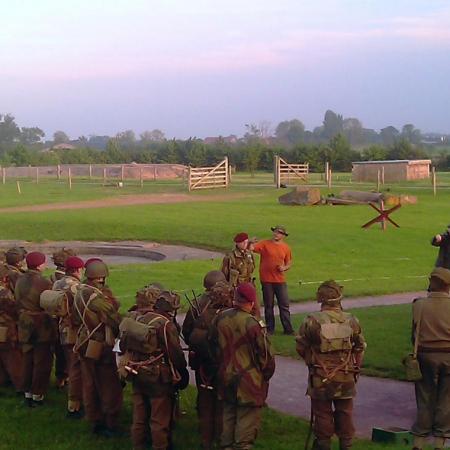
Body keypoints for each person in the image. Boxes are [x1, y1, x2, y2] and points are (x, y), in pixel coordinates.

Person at [296, 280, 366, 450]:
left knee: (322, 415)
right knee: (345, 414)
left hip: (321, 378)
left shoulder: (312, 321)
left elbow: (300, 347)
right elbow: (360, 348)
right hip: (346, 376)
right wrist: (355, 369)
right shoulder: (351, 320)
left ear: (321, 299)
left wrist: (311, 361)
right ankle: (346, 446)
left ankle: (323, 445)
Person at [119, 290, 189, 450]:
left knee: (139, 417)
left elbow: (123, 345)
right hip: (158, 379)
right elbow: (175, 354)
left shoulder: (137, 318)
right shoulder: (165, 325)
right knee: (159, 419)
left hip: (136, 373)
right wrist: (182, 373)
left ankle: (138, 445)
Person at [210, 282, 275, 450]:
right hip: (249, 382)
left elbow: (211, 345)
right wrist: (263, 377)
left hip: (225, 378)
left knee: (228, 422)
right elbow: (266, 358)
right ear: (252, 301)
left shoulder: (220, 318)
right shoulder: (253, 324)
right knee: (244, 434)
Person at [72, 260, 123, 437]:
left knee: (89, 384)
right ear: (101, 277)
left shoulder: (80, 291)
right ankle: (110, 424)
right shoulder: (96, 298)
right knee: (109, 385)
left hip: (84, 340)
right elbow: (114, 320)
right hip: (101, 344)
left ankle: (94, 419)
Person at [182, 270, 229, 450]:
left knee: (204, 399)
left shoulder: (197, 304)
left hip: (201, 362)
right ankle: (220, 436)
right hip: (224, 362)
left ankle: (205, 438)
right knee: (222, 400)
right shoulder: (230, 304)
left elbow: (187, 333)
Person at [410, 267, 450, 450]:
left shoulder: (419, 305)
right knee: (446, 398)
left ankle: (419, 440)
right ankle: (440, 442)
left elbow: (414, 334)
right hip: (448, 355)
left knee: (425, 397)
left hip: (425, 355)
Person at [15, 251, 54, 406]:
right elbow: (49, 304)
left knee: (27, 359)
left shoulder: (19, 279)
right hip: (40, 325)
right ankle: (38, 394)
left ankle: (27, 392)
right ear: (39, 265)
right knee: (42, 361)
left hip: (24, 323)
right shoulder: (43, 283)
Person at [52, 255, 85, 418]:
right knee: (76, 368)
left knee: (67, 361)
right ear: (78, 270)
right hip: (73, 331)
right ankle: (74, 405)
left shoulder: (57, 282)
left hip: (61, 328)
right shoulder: (76, 287)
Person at [250, 225, 294, 335]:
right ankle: (270, 329)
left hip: (280, 280)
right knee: (268, 305)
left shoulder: (286, 248)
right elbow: (251, 248)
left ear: (283, 235)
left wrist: (284, 268)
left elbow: (289, 262)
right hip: (266, 280)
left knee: (284, 305)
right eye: (275, 232)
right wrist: (250, 242)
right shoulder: (265, 244)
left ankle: (288, 329)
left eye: (279, 233)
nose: (276, 234)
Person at [0, 264, 23, 392]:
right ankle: (20, 386)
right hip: (5, 328)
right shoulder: (4, 292)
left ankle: (3, 381)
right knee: (13, 358)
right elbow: (12, 311)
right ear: (4, 278)